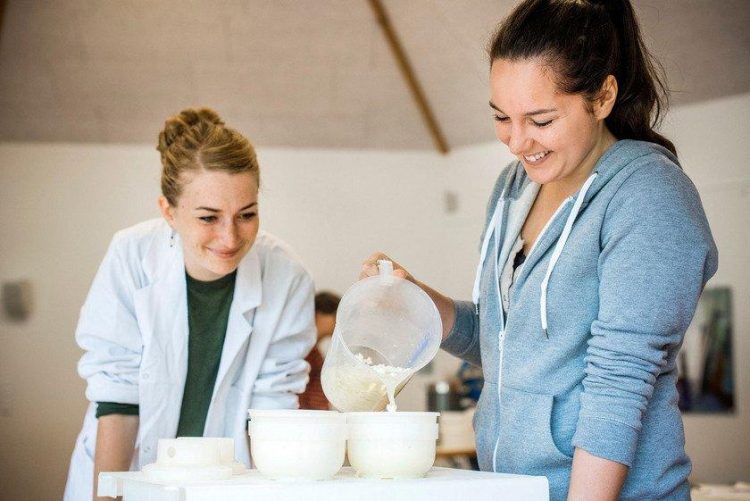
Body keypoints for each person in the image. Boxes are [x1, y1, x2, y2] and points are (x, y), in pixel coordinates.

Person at [361, 1, 718, 499]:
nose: (516, 142)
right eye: (501, 117)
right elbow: (505, 344)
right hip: (514, 489)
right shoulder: (513, 190)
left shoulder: (648, 196)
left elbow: (619, 383)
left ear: (603, 97)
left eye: (541, 120)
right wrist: (416, 300)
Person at [64, 108, 316, 500]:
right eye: (208, 218)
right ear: (169, 211)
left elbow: (271, 410)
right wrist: (108, 497)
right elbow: (117, 395)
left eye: (246, 215)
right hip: (129, 468)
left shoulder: (286, 276)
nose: (230, 237)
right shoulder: (132, 255)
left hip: (228, 481)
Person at [299, 291, 340, 410]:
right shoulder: (301, 350)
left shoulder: (314, 352)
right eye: (335, 315)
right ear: (317, 314)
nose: (338, 322)